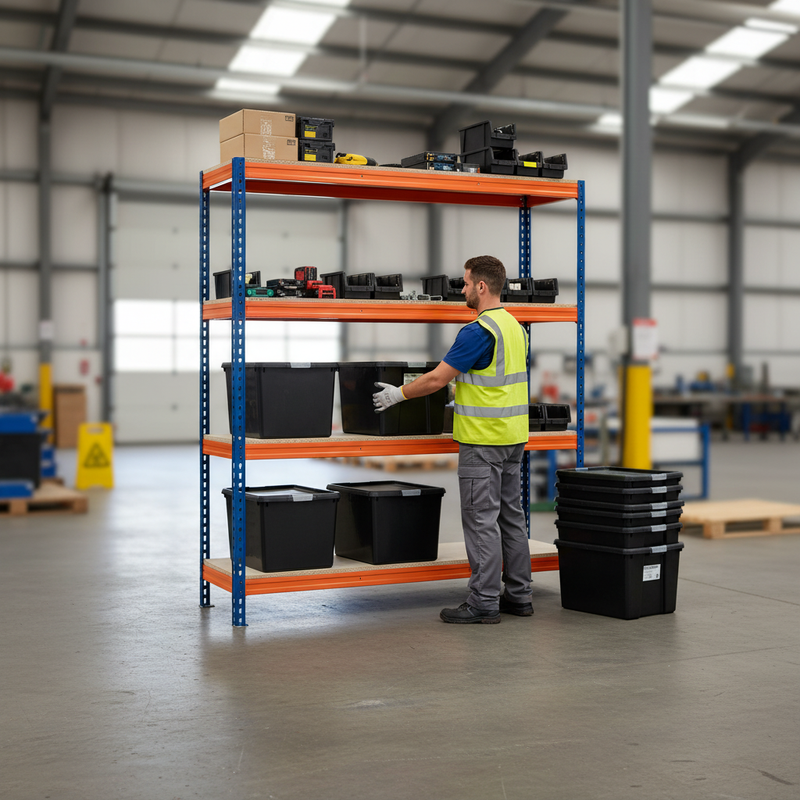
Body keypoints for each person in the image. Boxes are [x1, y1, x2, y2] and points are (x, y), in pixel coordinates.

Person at [372, 255, 533, 624]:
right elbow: (494, 378)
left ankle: (484, 602)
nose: (462, 290)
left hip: (482, 441)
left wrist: (399, 394)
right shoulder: (515, 327)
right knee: (510, 517)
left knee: (480, 521)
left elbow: (436, 379)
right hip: (513, 438)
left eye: (466, 283)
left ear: (482, 286)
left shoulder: (478, 331)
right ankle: (519, 595)